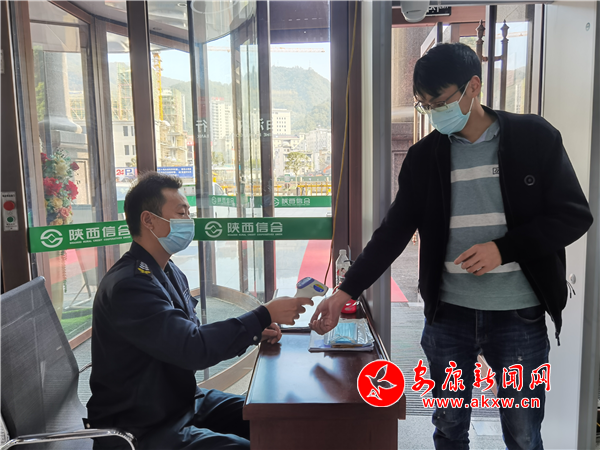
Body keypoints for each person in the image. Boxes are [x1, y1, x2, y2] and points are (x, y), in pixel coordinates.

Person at [310, 43, 593, 450]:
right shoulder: (424, 157)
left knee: (523, 432)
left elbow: (573, 216)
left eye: (440, 102)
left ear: (473, 86)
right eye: (424, 105)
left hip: (518, 316)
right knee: (448, 428)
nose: (433, 113)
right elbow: (393, 232)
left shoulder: (533, 137)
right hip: (448, 317)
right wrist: (345, 291)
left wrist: (504, 249)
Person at [87, 172, 312, 450]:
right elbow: (192, 348)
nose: (188, 221)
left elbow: (189, 334)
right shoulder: (130, 285)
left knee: (274, 419)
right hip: (141, 426)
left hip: (181, 402)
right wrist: (262, 315)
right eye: (181, 213)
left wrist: (254, 331)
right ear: (148, 220)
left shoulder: (168, 270)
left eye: (188, 213)